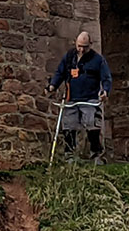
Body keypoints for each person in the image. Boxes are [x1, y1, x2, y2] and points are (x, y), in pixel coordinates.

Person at [48, 29, 114, 163]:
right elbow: (60, 72)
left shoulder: (98, 60)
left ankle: (96, 154)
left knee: (92, 126)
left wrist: (105, 91)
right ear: (75, 44)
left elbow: (106, 78)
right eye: (79, 46)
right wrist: (52, 86)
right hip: (71, 98)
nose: (82, 50)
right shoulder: (69, 57)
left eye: (85, 47)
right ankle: (70, 155)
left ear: (90, 44)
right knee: (69, 126)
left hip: (89, 99)